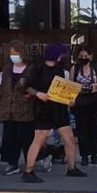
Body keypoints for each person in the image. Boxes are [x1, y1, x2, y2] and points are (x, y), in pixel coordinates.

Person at [21, 43, 86, 183]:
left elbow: (62, 87)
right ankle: (28, 170)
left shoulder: (59, 69)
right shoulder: (37, 68)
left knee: (69, 138)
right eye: (61, 54)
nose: (63, 57)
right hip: (43, 108)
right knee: (39, 139)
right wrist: (38, 94)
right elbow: (26, 86)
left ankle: (72, 167)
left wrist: (69, 99)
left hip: (59, 108)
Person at [0, 41, 35, 176]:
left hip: (25, 109)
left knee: (26, 138)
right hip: (8, 108)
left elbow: (35, 86)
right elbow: (2, 88)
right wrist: (0, 104)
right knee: (9, 137)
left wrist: (30, 96)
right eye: (11, 53)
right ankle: (12, 163)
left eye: (16, 53)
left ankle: (32, 162)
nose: (13, 56)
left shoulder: (31, 68)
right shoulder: (7, 69)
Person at [71, 47, 97, 166]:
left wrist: (96, 85)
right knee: (82, 129)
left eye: (85, 56)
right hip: (80, 101)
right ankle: (84, 155)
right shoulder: (74, 69)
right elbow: (70, 85)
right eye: (81, 56)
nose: (83, 58)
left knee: (94, 128)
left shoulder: (96, 68)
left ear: (90, 57)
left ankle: (94, 154)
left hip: (94, 100)